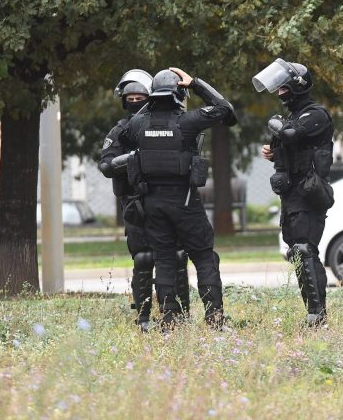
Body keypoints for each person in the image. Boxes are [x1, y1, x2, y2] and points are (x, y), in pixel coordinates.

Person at [119, 67, 238, 329]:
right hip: (184, 201)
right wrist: (195, 83)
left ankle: (170, 320)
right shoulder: (187, 121)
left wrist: (149, 107)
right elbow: (225, 109)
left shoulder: (138, 123)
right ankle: (214, 320)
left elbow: (124, 135)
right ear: (179, 94)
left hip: (152, 203)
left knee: (164, 260)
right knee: (205, 257)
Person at [98, 69, 191, 332]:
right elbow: (106, 165)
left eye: (142, 97)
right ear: (124, 100)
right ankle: (143, 316)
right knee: (143, 258)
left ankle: (178, 314)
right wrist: (133, 159)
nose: (136, 102)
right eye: (131, 97)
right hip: (136, 203)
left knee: (177, 256)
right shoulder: (121, 130)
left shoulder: (171, 122)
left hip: (169, 200)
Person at [253, 58, 334, 327]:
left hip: (309, 192)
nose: (280, 92)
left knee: (304, 248)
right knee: (297, 252)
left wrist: (276, 125)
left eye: (284, 87)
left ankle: (316, 315)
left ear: (297, 86)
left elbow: (290, 134)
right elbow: (289, 145)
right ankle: (314, 312)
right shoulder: (293, 117)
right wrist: (273, 153)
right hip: (290, 193)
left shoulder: (316, 114)